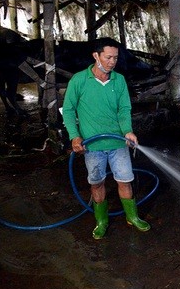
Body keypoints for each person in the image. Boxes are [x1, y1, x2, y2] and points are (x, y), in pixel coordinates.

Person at [61, 37, 150, 239]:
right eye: (108, 57)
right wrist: (74, 137)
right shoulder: (79, 80)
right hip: (92, 146)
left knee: (125, 180)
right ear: (96, 56)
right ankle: (102, 221)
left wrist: (127, 130)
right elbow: (68, 110)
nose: (112, 62)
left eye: (115, 58)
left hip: (118, 142)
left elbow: (124, 108)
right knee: (97, 183)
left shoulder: (118, 80)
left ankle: (132, 217)